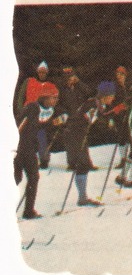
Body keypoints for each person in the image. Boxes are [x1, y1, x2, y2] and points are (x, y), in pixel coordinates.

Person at [62, 83, 114, 208]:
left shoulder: (99, 105)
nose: (113, 98)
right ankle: (82, 198)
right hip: (74, 134)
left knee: (83, 164)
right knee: (83, 164)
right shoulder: (93, 104)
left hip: (79, 134)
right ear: (105, 96)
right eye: (111, 96)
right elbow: (79, 118)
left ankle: (83, 197)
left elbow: (99, 117)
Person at [14, 86, 60, 219]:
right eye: (53, 97)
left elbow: (40, 126)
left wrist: (54, 123)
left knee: (33, 177)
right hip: (19, 148)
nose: (56, 100)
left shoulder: (46, 110)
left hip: (29, 148)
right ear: (45, 97)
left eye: (57, 97)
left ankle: (29, 211)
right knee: (16, 179)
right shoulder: (32, 108)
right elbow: (20, 125)